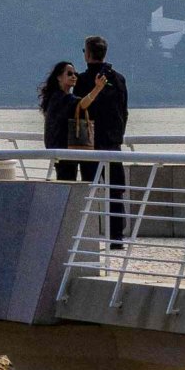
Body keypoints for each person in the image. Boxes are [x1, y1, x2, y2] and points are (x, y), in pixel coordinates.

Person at [73, 35, 134, 240]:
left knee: (88, 191)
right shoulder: (118, 79)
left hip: (89, 144)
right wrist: (117, 135)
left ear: (88, 54)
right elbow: (124, 111)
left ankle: (86, 238)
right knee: (115, 192)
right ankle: (116, 238)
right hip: (112, 143)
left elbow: (79, 109)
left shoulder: (82, 81)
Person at [38, 60, 84, 180]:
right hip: (63, 148)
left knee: (66, 177)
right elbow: (83, 103)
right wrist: (98, 88)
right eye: (69, 74)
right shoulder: (61, 98)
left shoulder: (55, 97)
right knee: (67, 178)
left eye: (75, 74)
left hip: (58, 147)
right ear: (59, 77)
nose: (74, 76)